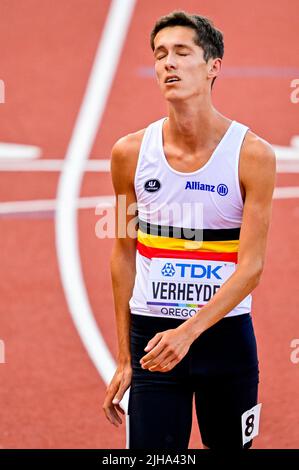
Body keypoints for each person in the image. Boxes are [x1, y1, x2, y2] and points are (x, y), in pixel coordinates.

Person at [103, 10, 276, 449]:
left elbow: (251, 267)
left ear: (213, 65)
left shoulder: (252, 155)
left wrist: (189, 332)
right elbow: (124, 251)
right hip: (154, 343)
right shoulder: (129, 154)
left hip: (224, 340)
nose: (168, 64)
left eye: (182, 52)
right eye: (160, 54)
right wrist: (126, 356)